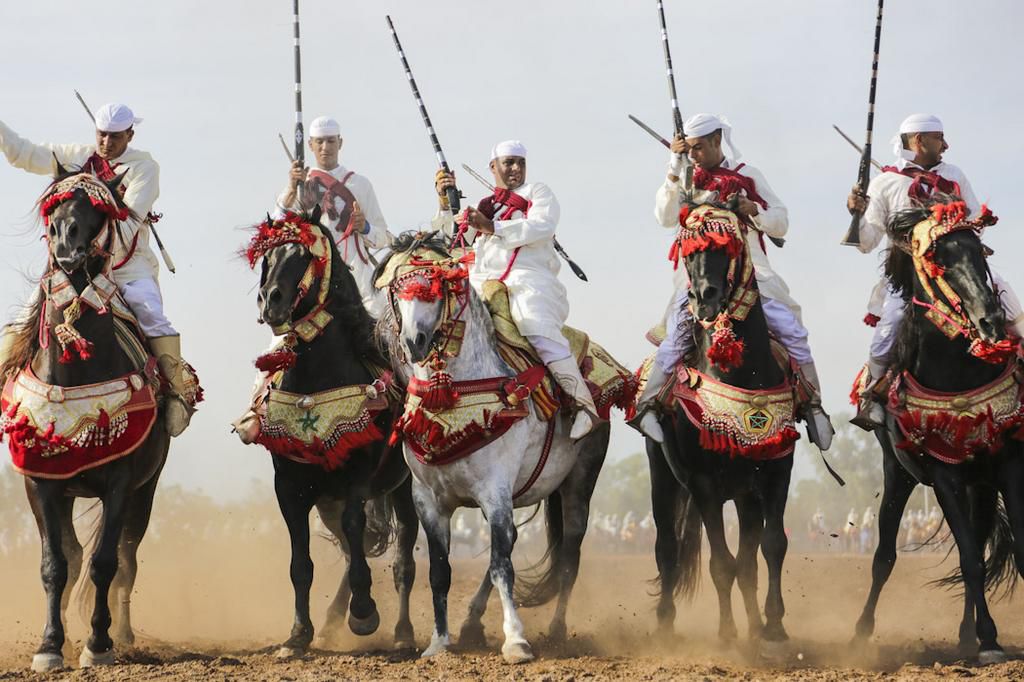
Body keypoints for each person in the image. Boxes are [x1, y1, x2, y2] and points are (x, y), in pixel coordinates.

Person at [632, 113, 834, 450]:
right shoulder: (684, 177)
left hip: (752, 269)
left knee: (792, 330)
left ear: (716, 141)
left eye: (698, 147)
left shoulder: (747, 176)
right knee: (676, 337)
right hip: (698, 274)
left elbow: (780, 221)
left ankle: (813, 405)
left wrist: (751, 208)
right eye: (689, 149)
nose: (694, 154)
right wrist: (674, 165)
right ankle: (649, 404)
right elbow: (664, 217)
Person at [0, 103, 192, 435]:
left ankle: (176, 393)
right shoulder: (77, 156)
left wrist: (95, 256)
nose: (106, 142)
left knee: (152, 316)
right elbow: (24, 154)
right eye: (102, 134)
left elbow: (129, 222)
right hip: (71, 269)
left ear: (130, 135)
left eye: (115, 136)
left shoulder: (144, 168)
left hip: (127, 268)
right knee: (25, 317)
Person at [847, 113, 1024, 428]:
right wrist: (857, 215)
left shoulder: (954, 173)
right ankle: (872, 396)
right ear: (919, 141)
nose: (946, 144)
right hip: (909, 272)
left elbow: (973, 222)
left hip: (959, 265)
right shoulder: (886, 182)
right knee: (891, 324)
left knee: (1007, 298)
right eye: (939, 138)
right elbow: (867, 241)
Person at [434, 140, 598, 440]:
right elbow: (454, 240)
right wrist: (448, 203)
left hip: (529, 281)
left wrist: (492, 227)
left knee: (534, 326)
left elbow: (542, 226)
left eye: (519, 163)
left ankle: (583, 404)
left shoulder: (538, 192)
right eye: (508, 163)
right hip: (483, 282)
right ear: (493, 167)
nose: (515, 168)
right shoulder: (486, 206)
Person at [277, 116, 393, 317]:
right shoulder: (300, 184)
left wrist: (364, 227)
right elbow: (278, 228)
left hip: (358, 281)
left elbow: (383, 237)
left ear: (340, 143)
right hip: (314, 280)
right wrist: (291, 189)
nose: (325, 147)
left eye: (331, 141)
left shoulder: (360, 184)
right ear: (310, 145)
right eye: (319, 142)